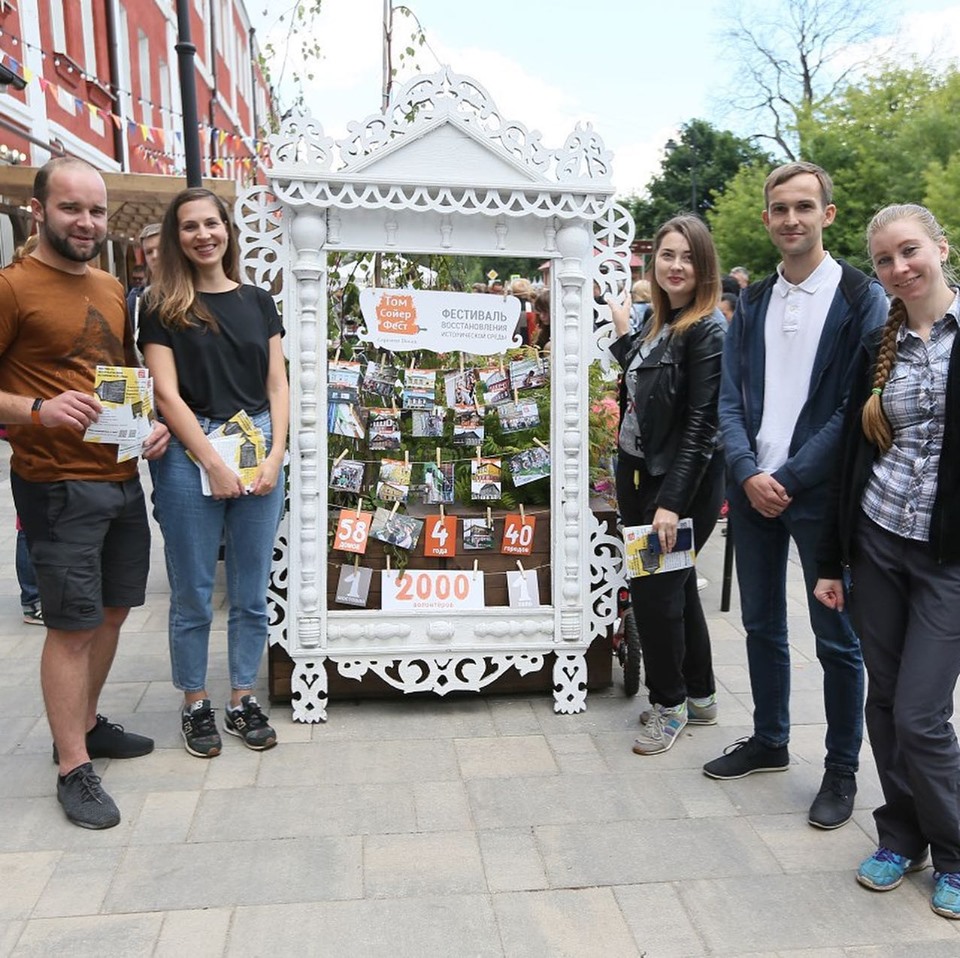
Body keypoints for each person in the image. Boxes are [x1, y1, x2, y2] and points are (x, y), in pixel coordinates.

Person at [703, 161, 888, 830]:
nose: (792, 218)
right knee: (761, 625)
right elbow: (729, 398)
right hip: (751, 490)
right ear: (767, 218)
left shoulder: (860, 297)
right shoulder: (751, 302)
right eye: (780, 208)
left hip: (819, 496)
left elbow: (854, 406)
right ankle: (771, 740)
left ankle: (841, 771)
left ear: (827, 215)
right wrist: (749, 470)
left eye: (804, 206)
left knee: (837, 641)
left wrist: (791, 477)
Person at [0, 157, 169, 829]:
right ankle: (73, 764)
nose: (86, 222)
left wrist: (150, 424)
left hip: (120, 473)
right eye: (72, 208)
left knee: (112, 613)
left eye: (96, 211)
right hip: (55, 484)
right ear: (41, 210)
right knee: (70, 626)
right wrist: (37, 410)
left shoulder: (107, 285)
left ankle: (88, 724)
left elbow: (120, 374)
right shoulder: (13, 287)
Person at [814, 204, 960, 918]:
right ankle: (901, 836)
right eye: (884, 260)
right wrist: (831, 561)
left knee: (922, 715)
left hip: (947, 560)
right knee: (884, 700)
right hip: (877, 543)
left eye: (910, 252)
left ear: (940, 247)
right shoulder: (881, 343)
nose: (900, 268)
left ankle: (956, 849)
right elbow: (850, 458)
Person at [140, 187, 288, 759]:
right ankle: (196, 701)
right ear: (176, 238)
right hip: (189, 453)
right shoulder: (161, 305)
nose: (203, 234)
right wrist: (211, 461)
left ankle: (243, 697)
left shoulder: (258, 301)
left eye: (211, 223)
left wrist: (274, 456)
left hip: (259, 445)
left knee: (251, 590)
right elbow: (166, 396)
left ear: (228, 229)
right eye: (189, 226)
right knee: (194, 592)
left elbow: (278, 384)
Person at [608, 214, 727, 755]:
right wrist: (622, 339)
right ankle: (700, 696)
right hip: (640, 473)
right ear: (653, 262)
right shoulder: (663, 320)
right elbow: (647, 384)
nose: (676, 266)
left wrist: (671, 504)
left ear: (704, 267)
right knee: (676, 587)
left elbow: (702, 425)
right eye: (667, 256)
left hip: (676, 483)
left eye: (687, 257)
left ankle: (669, 704)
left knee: (655, 596)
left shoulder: (706, 329)